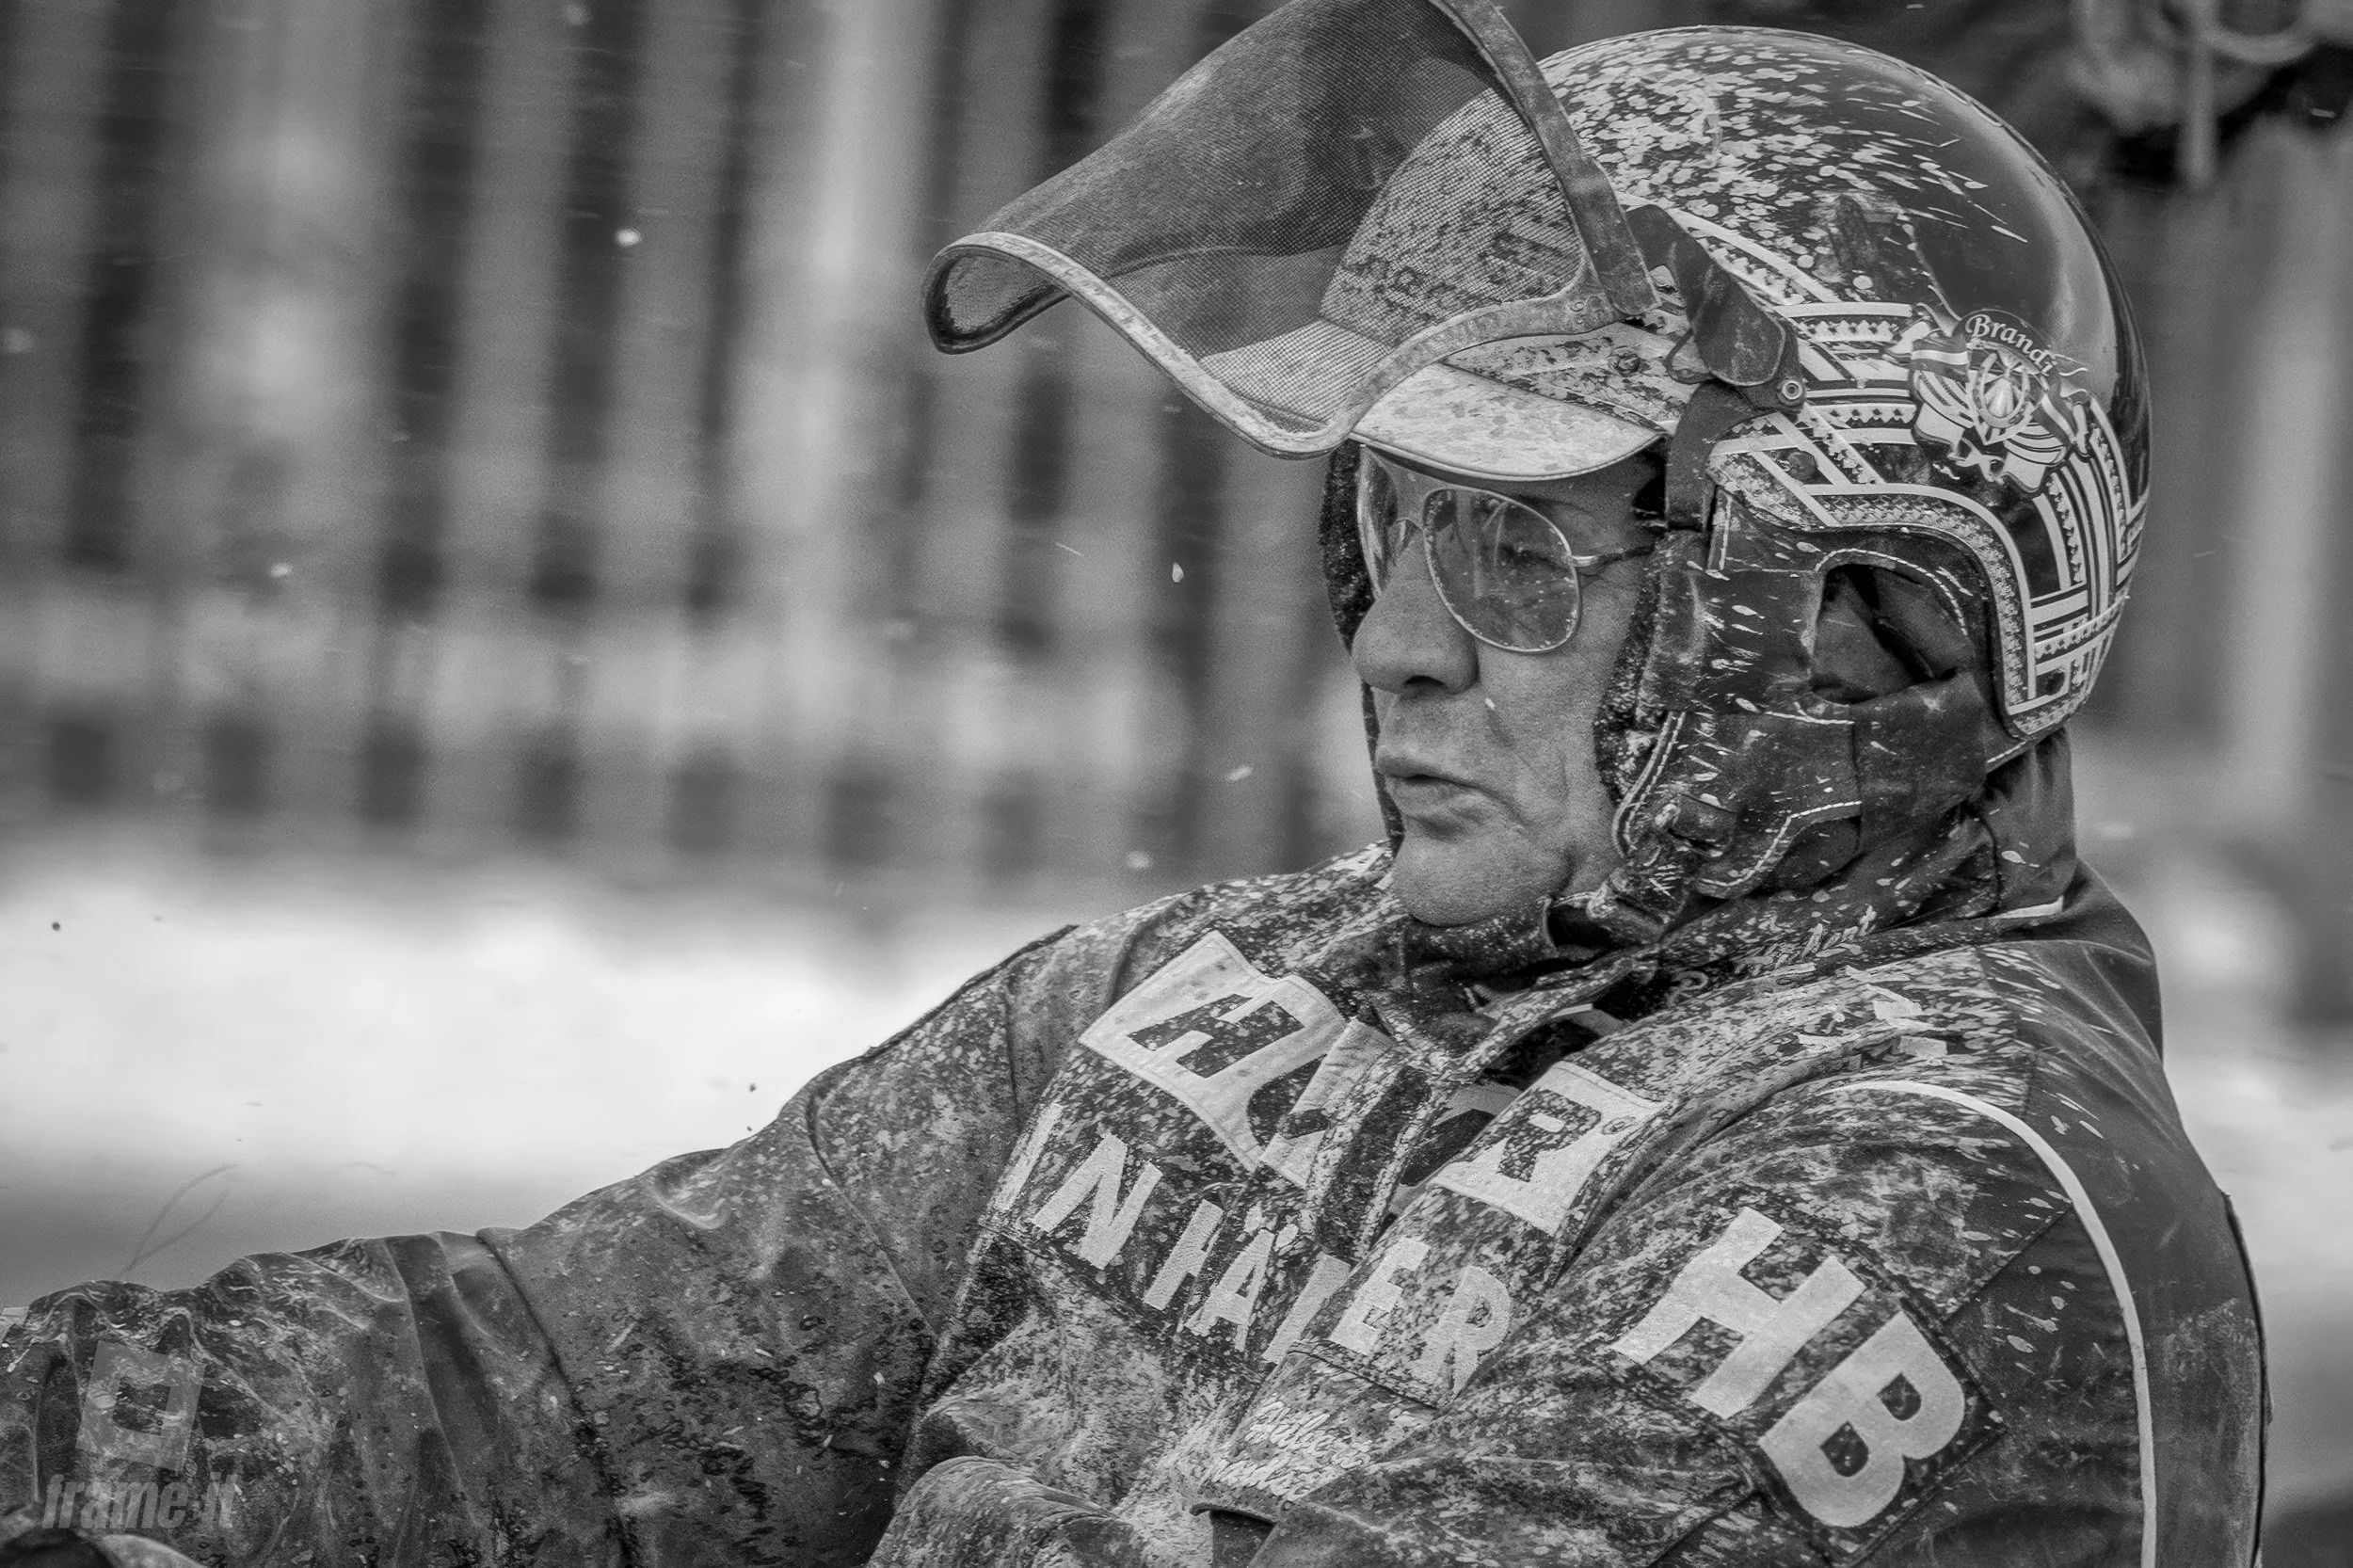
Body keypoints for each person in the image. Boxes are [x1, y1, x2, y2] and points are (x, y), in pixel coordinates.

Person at [0, 4, 2266, 1564]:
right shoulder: (1212, 989)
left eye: (1510, 544)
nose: (1393, 634)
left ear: (1854, 620)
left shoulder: (1956, 1189)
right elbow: (558, 1400)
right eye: (1380, 522)